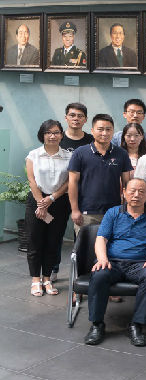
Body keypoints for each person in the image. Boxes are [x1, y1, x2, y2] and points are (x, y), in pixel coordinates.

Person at [83, 178, 146, 347]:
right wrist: (102, 258)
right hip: (112, 262)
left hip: (140, 263)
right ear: (124, 193)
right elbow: (101, 238)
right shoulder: (113, 213)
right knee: (99, 274)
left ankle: (136, 325)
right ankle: (97, 324)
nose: (136, 195)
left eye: (141, 191)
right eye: (132, 191)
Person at [25, 119, 71, 296]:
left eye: (56, 132)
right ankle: (35, 280)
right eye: (48, 132)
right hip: (36, 200)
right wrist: (41, 203)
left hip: (59, 202)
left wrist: (51, 198)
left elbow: (69, 181)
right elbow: (32, 180)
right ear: (42, 135)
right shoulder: (33, 155)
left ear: (61, 135)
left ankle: (47, 279)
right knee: (35, 240)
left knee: (54, 241)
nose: (52, 136)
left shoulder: (69, 156)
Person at [68, 114, 132, 234]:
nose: (104, 133)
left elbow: (127, 184)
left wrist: (127, 209)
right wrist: (75, 210)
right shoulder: (80, 153)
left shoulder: (121, 154)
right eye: (100, 129)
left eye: (108, 129)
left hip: (113, 212)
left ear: (113, 131)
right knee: (85, 245)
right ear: (92, 131)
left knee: (111, 245)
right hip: (86, 214)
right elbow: (73, 182)